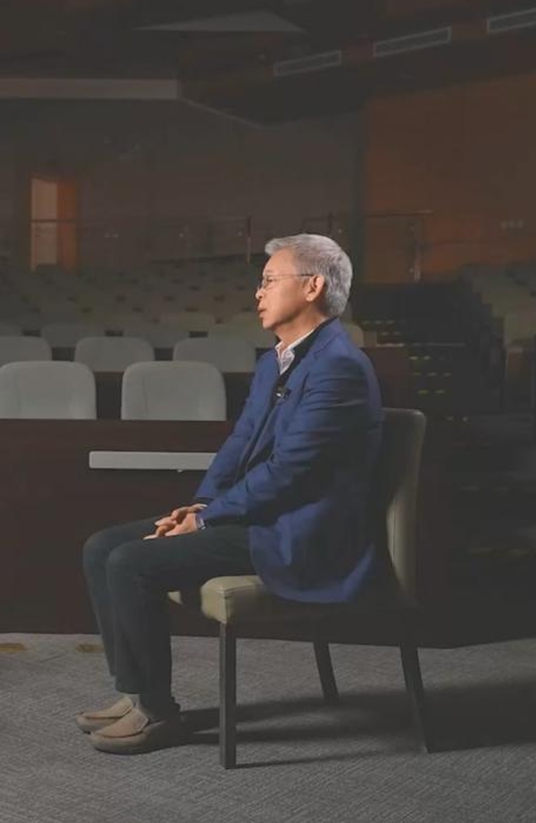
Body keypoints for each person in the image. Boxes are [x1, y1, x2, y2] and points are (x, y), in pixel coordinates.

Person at [77, 234, 382, 755]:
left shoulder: (338, 366)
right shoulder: (275, 362)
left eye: (269, 280)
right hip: (258, 514)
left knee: (131, 562)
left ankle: (157, 714)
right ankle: (136, 692)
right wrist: (201, 505)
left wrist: (208, 520)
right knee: (102, 547)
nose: (257, 293)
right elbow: (238, 445)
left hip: (299, 529)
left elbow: (290, 473)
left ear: (312, 287)